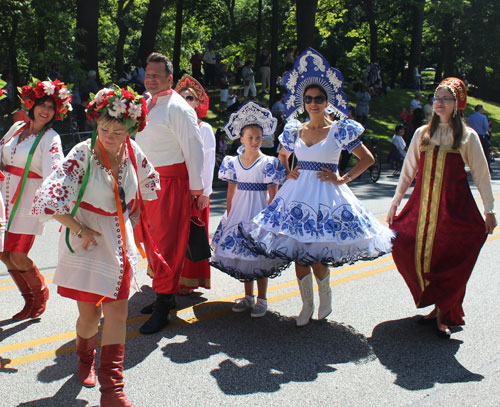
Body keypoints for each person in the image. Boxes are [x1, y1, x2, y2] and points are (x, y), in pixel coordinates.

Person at [240, 48, 394, 327]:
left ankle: (325, 294)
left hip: (327, 194)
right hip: (297, 194)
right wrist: (287, 172)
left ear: (327, 101)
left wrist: (342, 178)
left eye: (318, 99)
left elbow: (367, 159)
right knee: (299, 252)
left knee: (317, 255)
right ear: (303, 101)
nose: (313, 103)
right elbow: (283, 155)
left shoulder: (339, 129)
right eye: (308, 99)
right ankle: (305, 305)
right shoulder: (294, 129)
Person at [33, 86, 158, 406]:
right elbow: (48, 199)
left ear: (130, 128)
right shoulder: (81, 154)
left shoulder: (131, 150)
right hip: (86, 240)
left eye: (119, 130)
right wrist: (79, 228)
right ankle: (84, 359)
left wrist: (136, 214)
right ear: (96, 123)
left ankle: (112, 391)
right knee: (89, 316)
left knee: (117, 310)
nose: (111, 136)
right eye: (104, 129)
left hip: (118, 239)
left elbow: (148, 182)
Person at [387, 78, 497, 339]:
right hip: (421, 209)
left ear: (457, 103)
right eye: (436, 98)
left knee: (448, 259)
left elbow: (482, 175)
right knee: (407, 246)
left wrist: (489, 210)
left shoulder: (467, 136)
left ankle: (443, 312)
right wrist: (395, 202)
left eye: (445, 98)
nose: (439, 103)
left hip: (454, 212)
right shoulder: (422, 133)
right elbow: (408, 171)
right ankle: (435, 304)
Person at [135, 52, 204, 334]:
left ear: (169, 78)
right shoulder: (144, 102)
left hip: (170, 184)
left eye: (156, 75)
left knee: (166, 244)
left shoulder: (178, 107)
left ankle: (164, 305)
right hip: (145, 182)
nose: (150, 79)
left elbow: (194, 148)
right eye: (148, 74)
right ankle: (165, 293)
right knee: (150, 240)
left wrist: (197, 188)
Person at [1, 79, 71, 321]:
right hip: (4, 197)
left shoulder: (51, 137)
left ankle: (40, 294)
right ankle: (28, 300)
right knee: (5, 254)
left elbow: (57, 170)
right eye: (42, 104)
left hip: (28, 202)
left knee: (18, 255)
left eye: (51, 107)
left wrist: (55, 201)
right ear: (31, 104)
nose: (46, 110)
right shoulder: (17, 128)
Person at [210, 102, 286, 317]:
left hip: (259, 211)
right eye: (250, 137)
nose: (254, 141)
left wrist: (271, 221)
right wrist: (229, 214)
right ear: (241, 139)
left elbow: (274, 195)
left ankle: (262, 299)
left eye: (258, 137)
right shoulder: (232, 162)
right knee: (244, 257)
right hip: (240, 211)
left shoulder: (268, 163)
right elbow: (230, 192)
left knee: (259, 256)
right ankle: (248, 296)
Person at [174, 75, 215, 295]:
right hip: (176, 189)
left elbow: (208, 164)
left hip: (196, 191)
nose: (186, 101)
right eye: (182, 98)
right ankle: (172, 277)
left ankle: (189, 279)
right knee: (174, 234)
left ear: (198, 103)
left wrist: (205, 193)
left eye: (190, 98)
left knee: (192, 235)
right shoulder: (173, 126)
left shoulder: (204, 128)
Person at [468, 104, 491, 171]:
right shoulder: (483, 117)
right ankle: (487, 167)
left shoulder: (471, 117)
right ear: (480, 109)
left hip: (473, 136)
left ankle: (475, 167)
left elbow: (468, 126)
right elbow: (486, 128)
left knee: (474, 153)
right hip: (482, 136)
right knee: (485, 152)